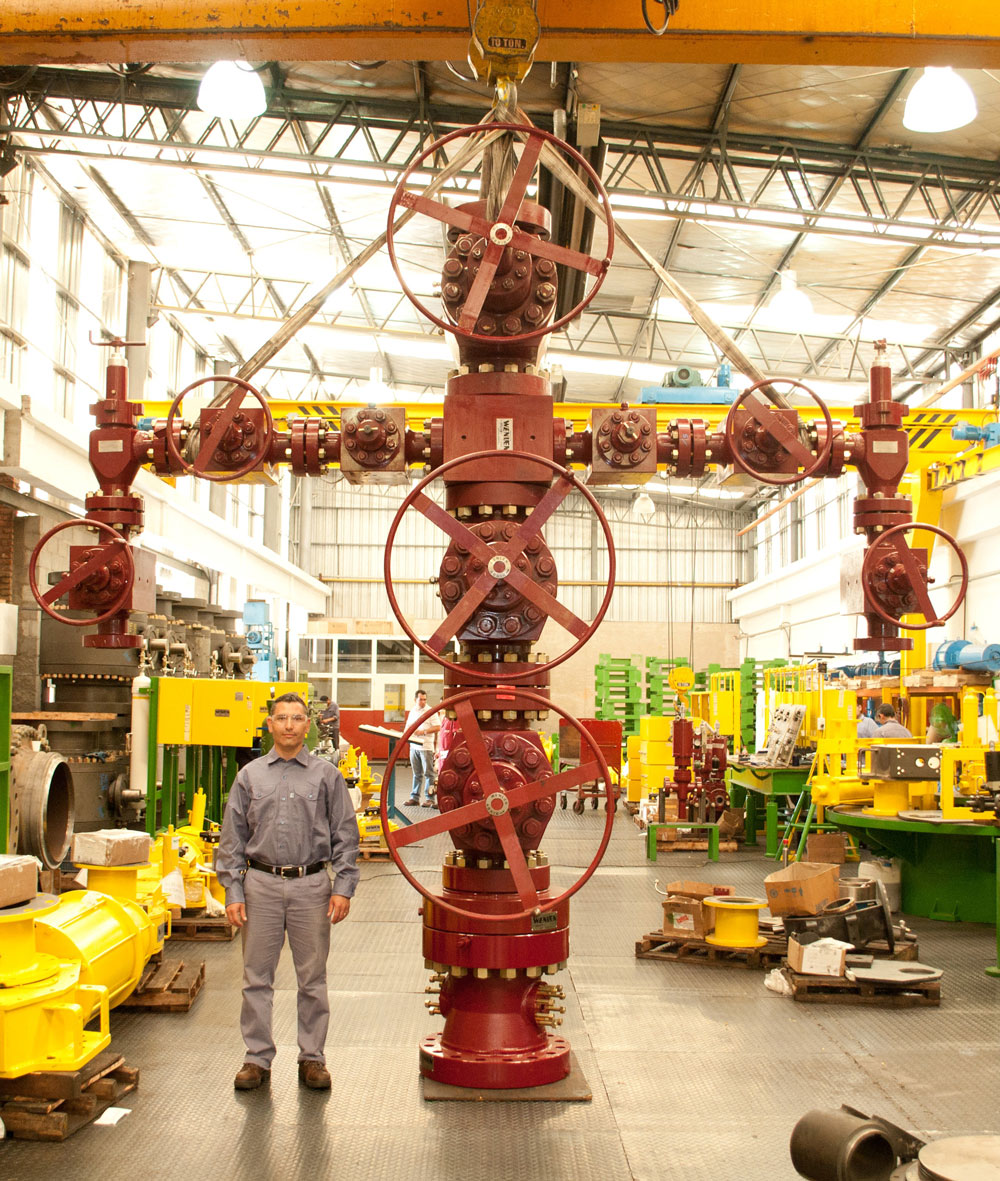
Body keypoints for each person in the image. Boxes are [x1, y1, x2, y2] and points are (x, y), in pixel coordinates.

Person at [216, 691, 360, 1092]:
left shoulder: (326, 776)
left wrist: (343, 886)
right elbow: (232, 838)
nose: (289, 725)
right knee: (255, 978)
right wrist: (233, 890)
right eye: (282, 718)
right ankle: (256, 1059)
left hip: (311, 886)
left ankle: (312, 1058)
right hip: (259, 885)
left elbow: (345, 835)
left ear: (307, 725)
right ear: (270, 725)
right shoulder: (249, 776)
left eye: (297, 718)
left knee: (312, 978)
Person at [404, 689, 439, 807]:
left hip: (426, 747)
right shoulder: (413, 711)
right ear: (415, 700)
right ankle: (414, 798)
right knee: (416, 774)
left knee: (429, 774)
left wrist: (424, 731)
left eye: (425, 700)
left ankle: (430, 798)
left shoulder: (430, 711)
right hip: (414, 746)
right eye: (421, 700)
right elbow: (408, 726)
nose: (423, 702)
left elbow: (438, 727)